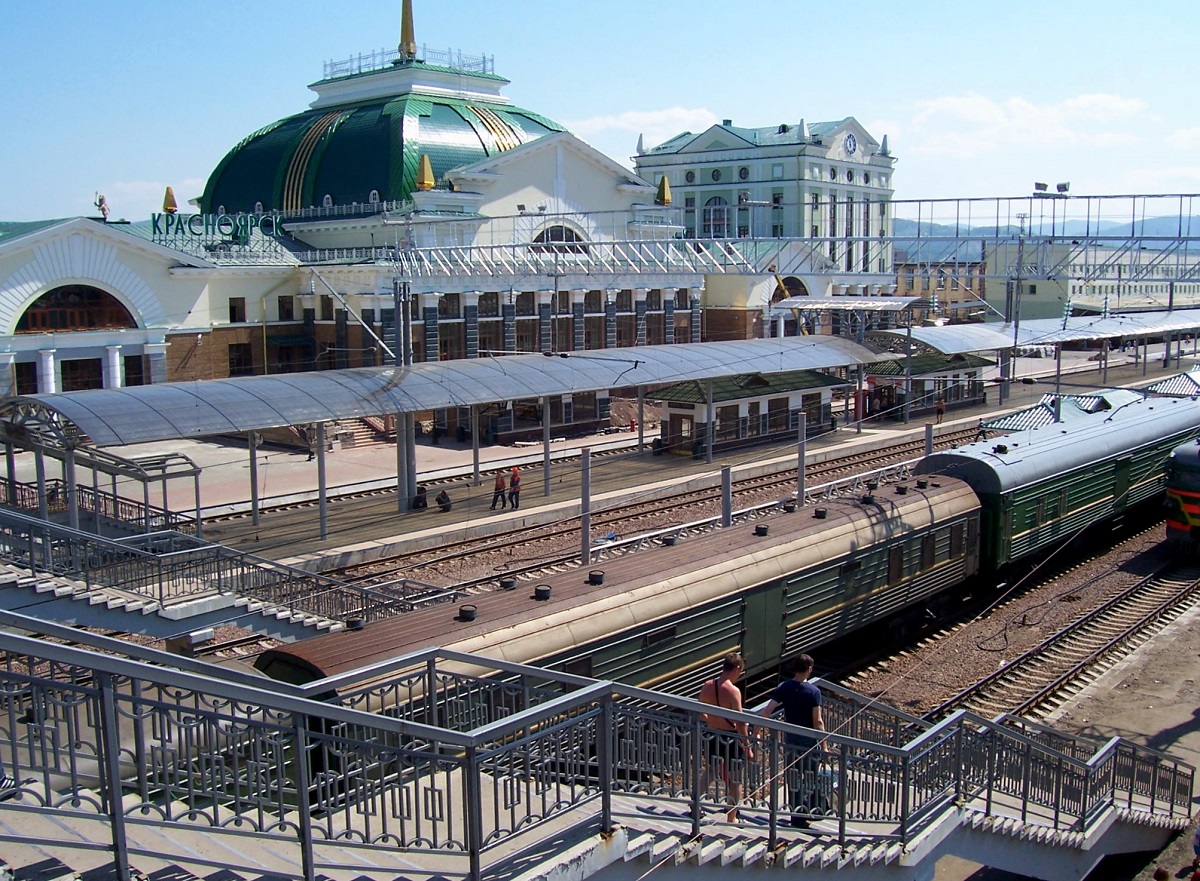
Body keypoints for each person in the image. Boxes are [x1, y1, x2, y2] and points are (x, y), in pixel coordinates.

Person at [759, 654, 829, 829]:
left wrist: (756, 731)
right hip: (809, 743)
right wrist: (825, 747)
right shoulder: (814, 692)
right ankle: (805, 812)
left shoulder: (784, 687)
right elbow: (818, 721)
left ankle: (794, 814)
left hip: (790, 741)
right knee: (809, 778)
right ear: (809, 669)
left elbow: (767, 711)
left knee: (793, 777)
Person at [698, 651, 754, 822]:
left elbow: (701, 711)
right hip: (730, 738)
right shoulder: (733, 691)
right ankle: (732, 817)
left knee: (710, 771)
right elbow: (740, 722)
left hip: (712, 734)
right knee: (736, 778)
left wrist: (711, 721)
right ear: (737, 668)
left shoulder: (708, 685)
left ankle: (695, 805)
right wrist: (747, 746)